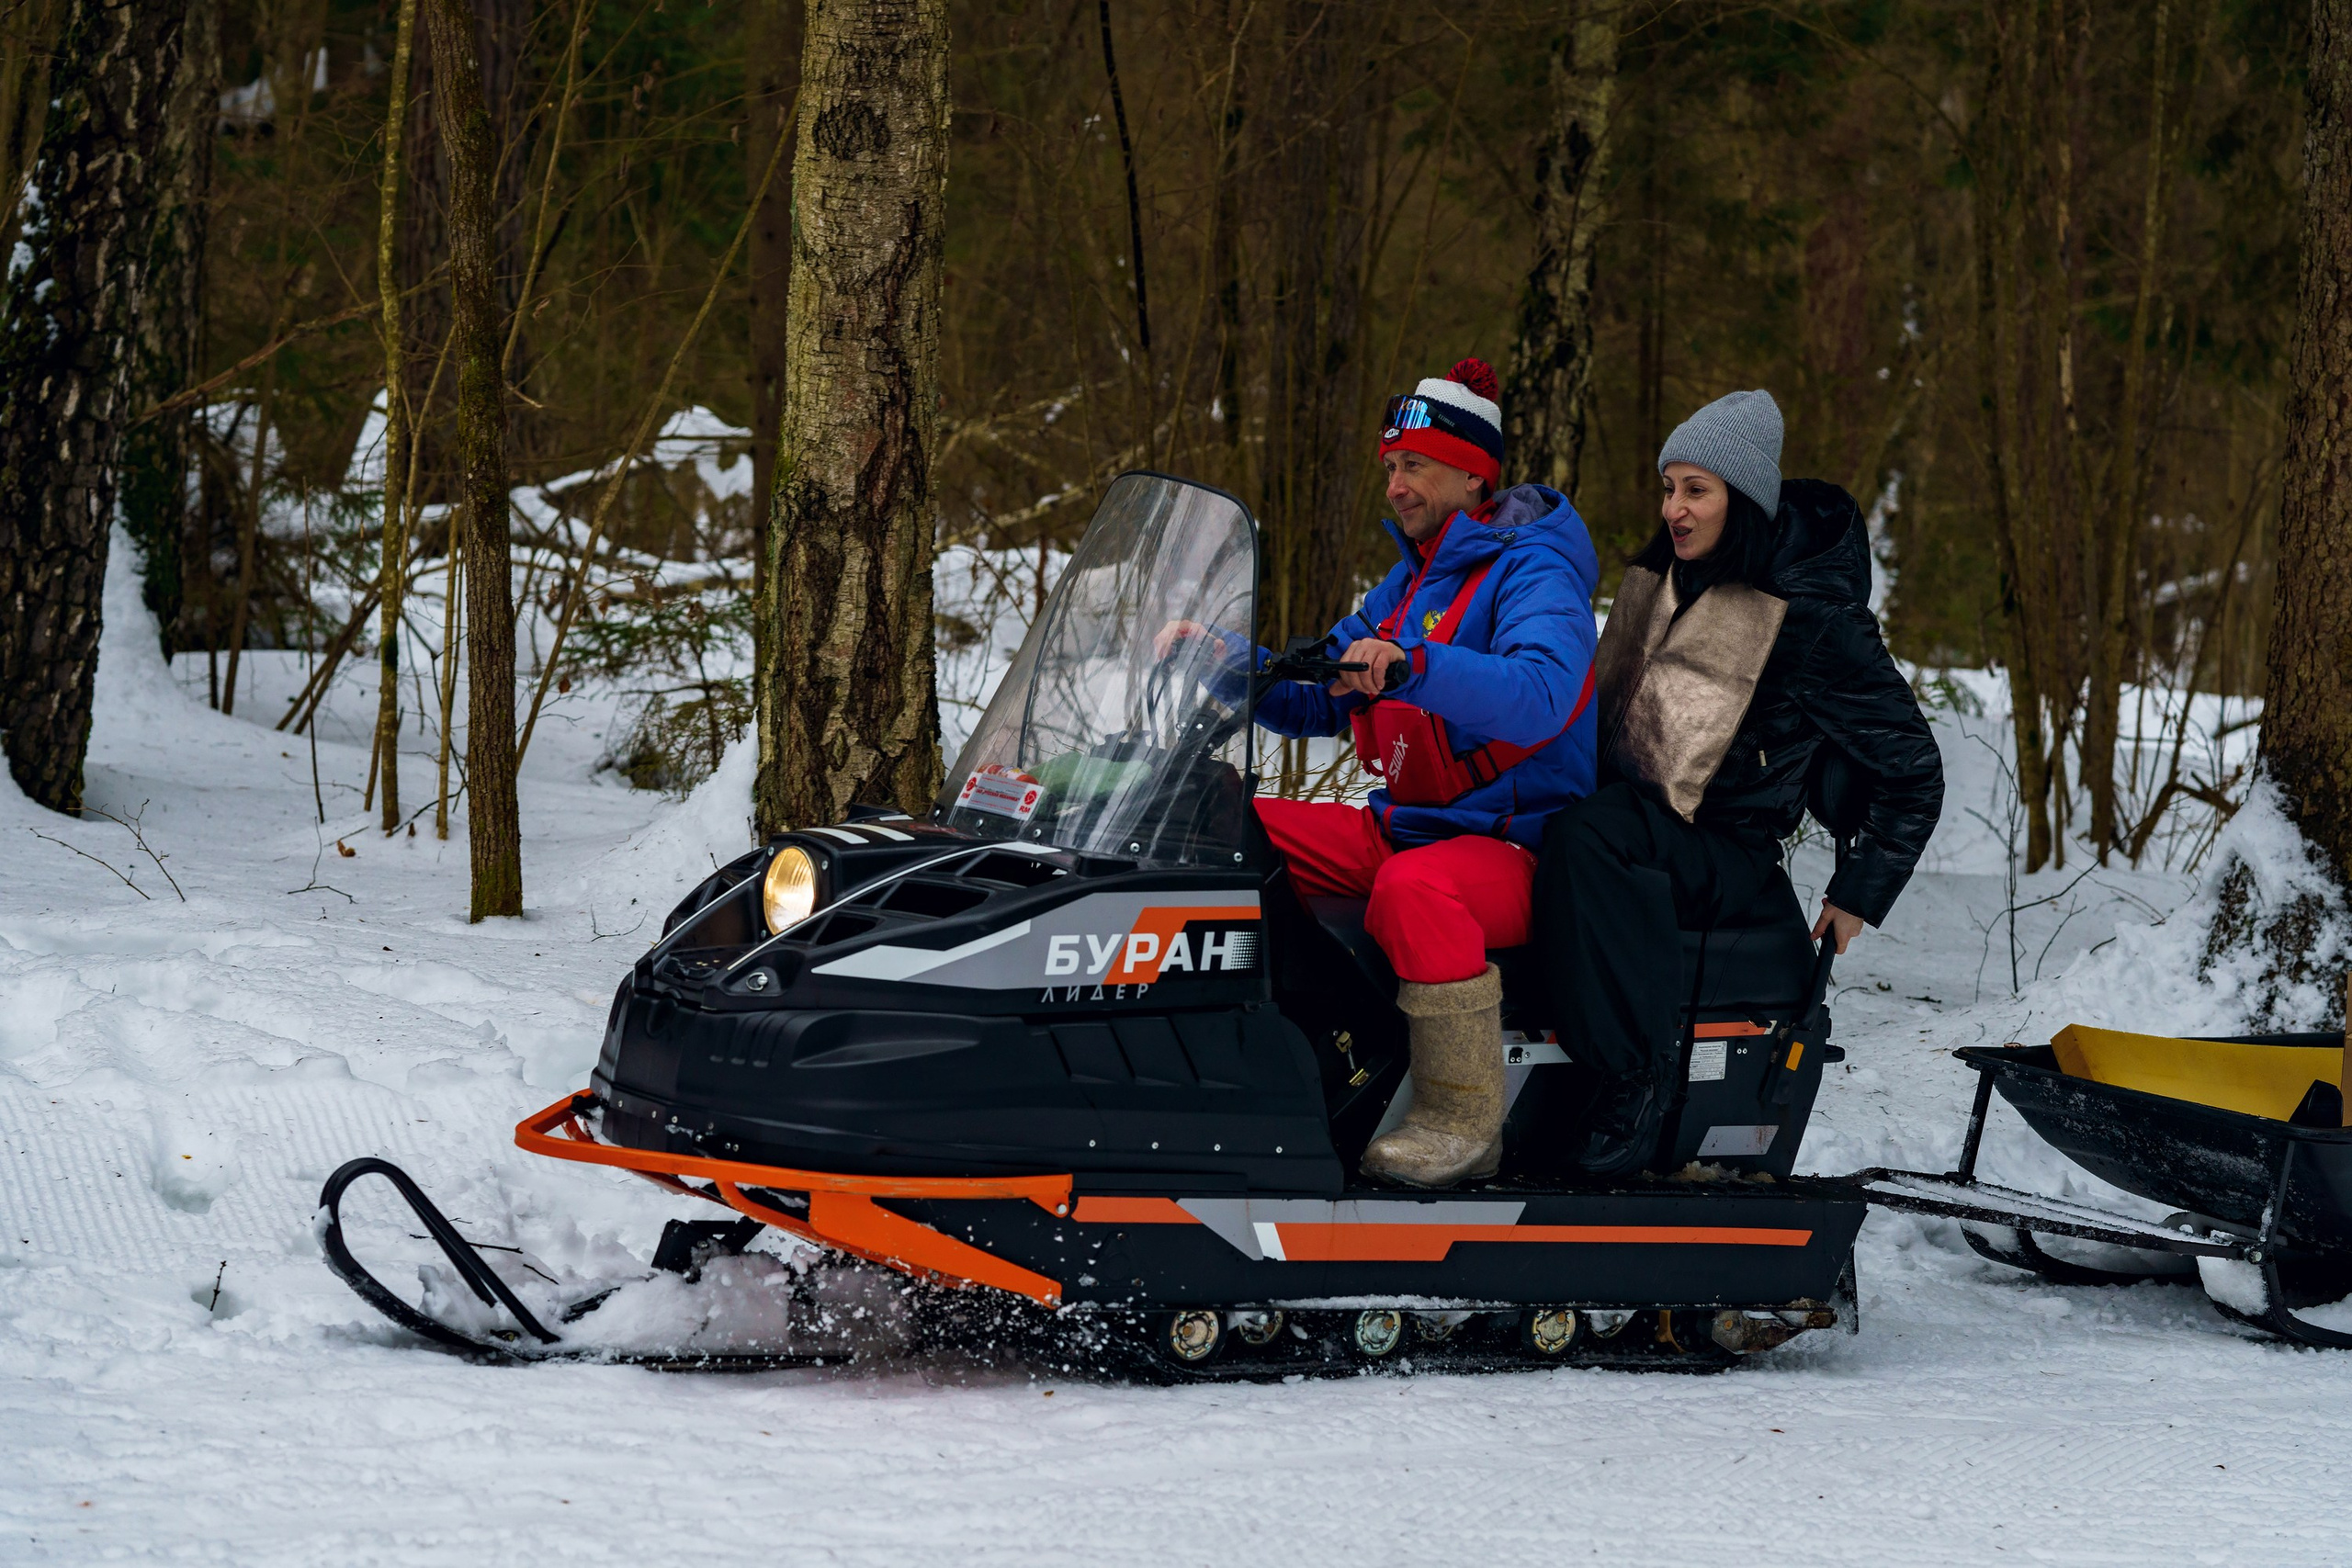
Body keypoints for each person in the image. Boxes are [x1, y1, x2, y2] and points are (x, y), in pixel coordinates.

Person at [1165, 358, 1600, 1189]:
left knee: (1412, 891)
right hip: (1403, 824)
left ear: (1473, 473)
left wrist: (1416, 666)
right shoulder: (1411, 580)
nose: (1396, 485)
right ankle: (1244, 1063)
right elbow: (1319, 695)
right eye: (1392, 466)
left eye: (1417, 466)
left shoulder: (1536, 571)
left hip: (1515, 846)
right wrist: (1221, 662)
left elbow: (1543, 694)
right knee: (1224, 827)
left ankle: (1462, 1117)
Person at [1532, 389, 1944, 1178]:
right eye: (1669, 487)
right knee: (1555, 821)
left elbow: (1913, 768)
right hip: (1642, 813)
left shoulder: (1811, 616)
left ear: (1743, 498)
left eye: (1698, 490)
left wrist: (1859, 889)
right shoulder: (1669, 580)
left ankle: (1634, 1078)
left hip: (1726, 849)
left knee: (1588, 835)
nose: (1675, 509)